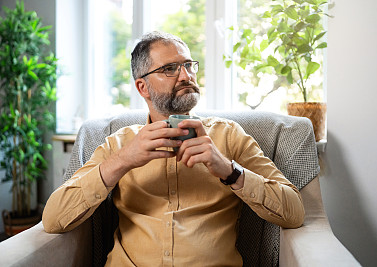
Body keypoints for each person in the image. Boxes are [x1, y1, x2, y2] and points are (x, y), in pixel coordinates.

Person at [43, 31, 305, 266]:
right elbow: (53, 219)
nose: (186, 75)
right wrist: (122, 161)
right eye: (170, 68)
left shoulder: (229, 136)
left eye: (188, 65)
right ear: (142, 87)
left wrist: (229, 170)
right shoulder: (119, 143)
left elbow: (293, 212)